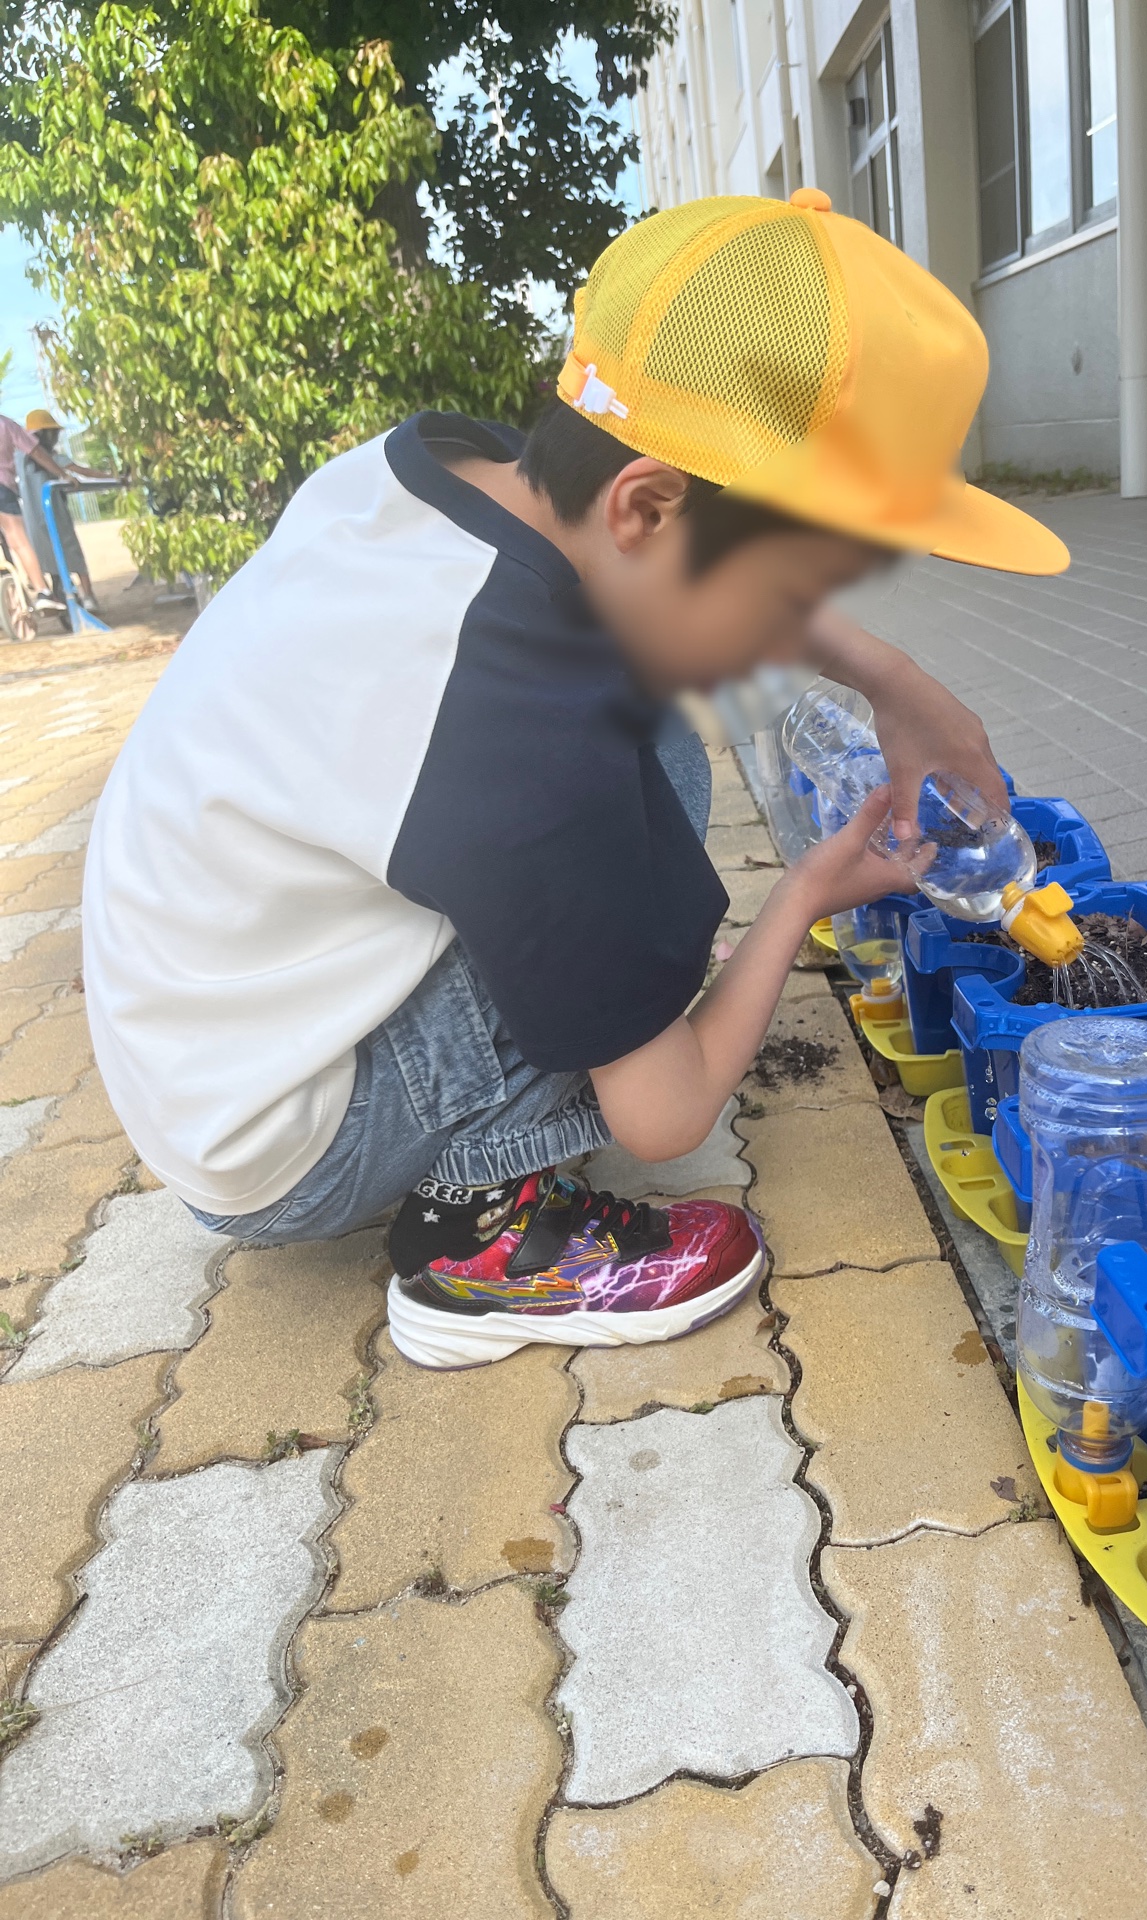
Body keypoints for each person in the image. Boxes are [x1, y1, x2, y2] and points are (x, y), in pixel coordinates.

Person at [81, 189, 1069, 1372]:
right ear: (647, 502)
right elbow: (666, 1116)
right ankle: (484, 1246)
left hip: (200, 1042)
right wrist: (805, 893)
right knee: (647, 778)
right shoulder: (527, 724)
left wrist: (888, 677)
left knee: (644, 770)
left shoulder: (440, 471)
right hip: (284, 1152)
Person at [19, 408, 107, 613]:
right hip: (55, 514)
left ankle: (56, 594)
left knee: (46, 556)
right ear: (45, 434)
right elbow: (82, 471)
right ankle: (88, 596)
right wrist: (110, 476)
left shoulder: (19, 458)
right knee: (73, 554)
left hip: (31, 518)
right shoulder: (52, 457)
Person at [0, 413, 67, 613]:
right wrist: (61, 473)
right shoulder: (6, 425)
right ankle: (42, 591)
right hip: (3, 487)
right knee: (18, 539)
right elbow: (36, 452)